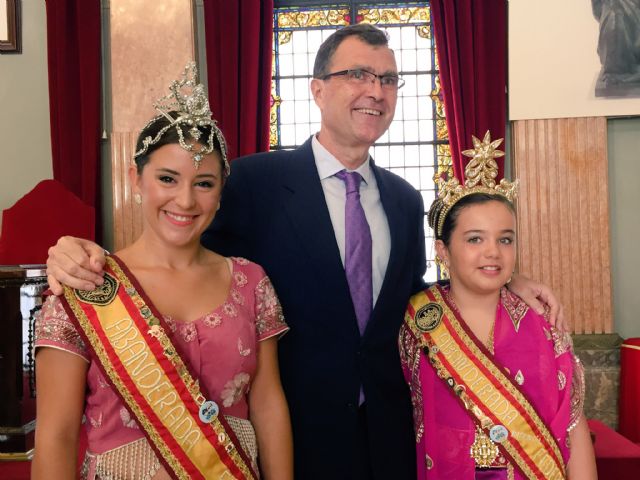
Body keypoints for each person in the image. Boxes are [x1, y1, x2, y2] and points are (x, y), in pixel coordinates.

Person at [45, 26, 562, 480]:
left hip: (389, 437)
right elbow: (177, 243)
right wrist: (77, 254)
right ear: (316, 89)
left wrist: (500, 277)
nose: (375, 92)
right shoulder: (253, 181)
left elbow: (414, 303)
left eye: (388, 80)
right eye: (358, 74)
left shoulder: (405, 201)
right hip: (292, 436)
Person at [32, 64, 293, 480]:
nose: (185, 201)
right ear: (136, 179)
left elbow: (267, 406)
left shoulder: (250, 281)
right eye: (168, 179)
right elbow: (56, 435)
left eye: (204, 183)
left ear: (221, 191)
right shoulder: (87, 282)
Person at [399, 133, 596, 479]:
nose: (493, 252)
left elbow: (573, 427)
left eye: (505, 239)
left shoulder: (542, 322)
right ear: (442, 250)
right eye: (475, 239)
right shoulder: (417, 322)